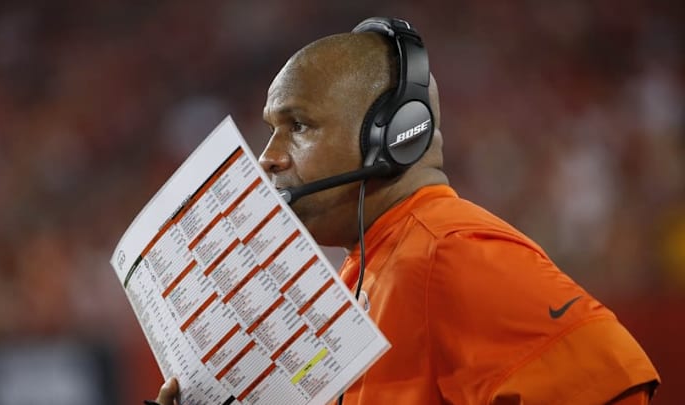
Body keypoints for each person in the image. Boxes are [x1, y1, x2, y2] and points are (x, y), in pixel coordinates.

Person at [151, 17, 659, 405]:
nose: (269, 156)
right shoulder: (370, 268)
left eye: (299, 125)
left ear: (392, 136)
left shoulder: (451, 253)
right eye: (271, 129)